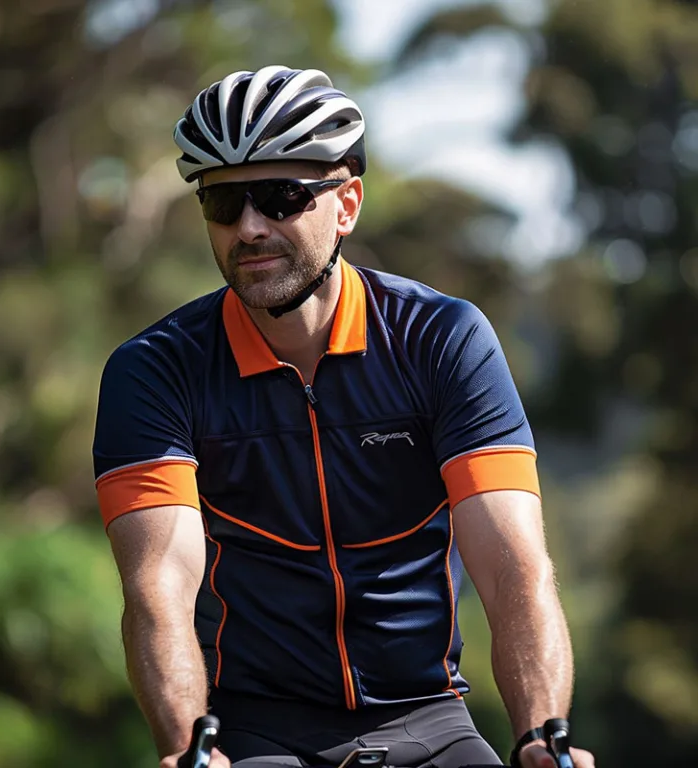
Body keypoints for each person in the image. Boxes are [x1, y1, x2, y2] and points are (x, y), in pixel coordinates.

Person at [92, 66, 595, 768]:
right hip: (253, 728)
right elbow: (157, 589)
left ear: (348, 204)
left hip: (427, 714)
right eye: (223, 202)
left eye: (280, 196)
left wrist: (543, 737)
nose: (249, 227)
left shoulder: (441, 339)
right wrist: (188, 744)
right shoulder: (155, 370)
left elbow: (513, 569)